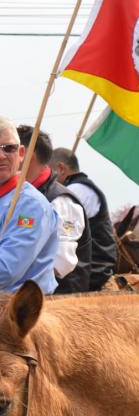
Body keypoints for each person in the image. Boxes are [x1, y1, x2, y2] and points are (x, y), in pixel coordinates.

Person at [17, 126, 92, 294]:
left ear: (27, 155)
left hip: (55, 304)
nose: (3, 156)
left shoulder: (61, 200)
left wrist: (15, 284)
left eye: (9, 149)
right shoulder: (18, 196)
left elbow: (61, 262)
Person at [0, 116, 58, 294]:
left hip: (20, 315)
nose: (1, 155)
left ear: (21, 153)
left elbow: (6, 270)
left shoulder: (31, 206)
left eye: (9, 148)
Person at [51, 147, 118, 290]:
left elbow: (65, 233)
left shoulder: (76, 192)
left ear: (61, 168)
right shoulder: (75, 189)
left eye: (49, 170)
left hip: (94, 270)